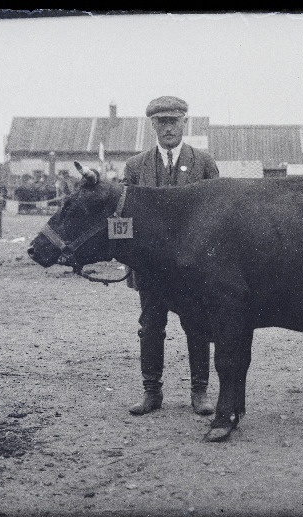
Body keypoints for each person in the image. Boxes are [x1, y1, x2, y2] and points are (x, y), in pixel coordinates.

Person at [122, 96, 220, 417]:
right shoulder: (136, 166)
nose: (168, 128)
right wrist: (124, 254)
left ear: (184, 124)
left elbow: (219, 218)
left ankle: (199, 392)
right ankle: (152, 392)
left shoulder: (204, 164)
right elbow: (122, 215)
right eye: (161, 122)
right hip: (150, 268)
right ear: (152, 125)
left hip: (192, 269)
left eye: (173, 122)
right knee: (150, 327)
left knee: (197, 326)